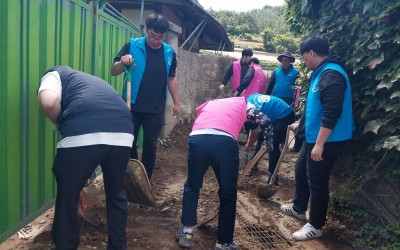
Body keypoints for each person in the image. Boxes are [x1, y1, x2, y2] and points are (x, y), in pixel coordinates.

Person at [37, 66, 134, 249]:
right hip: (124, 132)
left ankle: (66, 245)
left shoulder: (53, 74)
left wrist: (61, 124)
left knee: (67, 192)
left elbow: (49, 102)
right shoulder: (87, 81)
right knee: (116, 193)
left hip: (84, 129)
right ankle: (118, 246)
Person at [280, 35, 354, 241]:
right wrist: (300, 125)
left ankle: (316, 225)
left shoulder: (332, 75)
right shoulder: (319, 72)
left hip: (328, 140)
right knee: (300, 170)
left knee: (317, 181)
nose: (303, 60)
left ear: (311, 53)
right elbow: (313, 105)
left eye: (303, 56)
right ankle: (298, 207)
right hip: (313, 136)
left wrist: (320, 144)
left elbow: (332, 111)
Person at [175, 96, 273, 250]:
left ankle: (186, 232)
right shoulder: (245, 103)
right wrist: (269, 143)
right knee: (228, 193)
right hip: (224, 143)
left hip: (197, 138)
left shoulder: (210, 103)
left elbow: (201, 117)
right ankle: (224, 243)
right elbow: (265, 120)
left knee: (192, 185)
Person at [111, 13, 179, 180]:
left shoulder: (169, 52)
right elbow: (114, 71)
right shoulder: (132, 46)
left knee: (150, 146)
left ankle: (144, 181)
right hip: (131, 107)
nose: (156, 40)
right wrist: (122, 62)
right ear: (146, 30)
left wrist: (176, 102)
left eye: (160, 37)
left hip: (155, 109)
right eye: (153, 36)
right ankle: (132, 175)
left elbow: (171, 78)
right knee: (130, 144)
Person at [245, 94, 295, 183]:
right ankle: (253, 164)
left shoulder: (251, 113)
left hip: (284, 115)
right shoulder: (249, 99)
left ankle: (273, 176)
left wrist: (248, 145)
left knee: (273, 144)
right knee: (261, 137)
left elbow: (253, 133)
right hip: (273, 115)